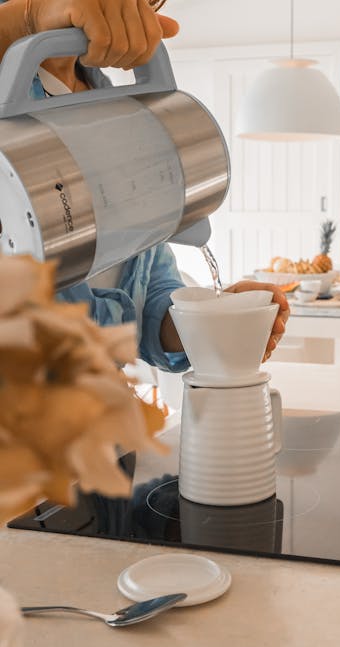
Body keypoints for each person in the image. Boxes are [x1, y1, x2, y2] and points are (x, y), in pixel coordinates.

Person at [0, 0, 289, 370]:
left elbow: (148, 302)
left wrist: (205, 322)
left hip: (88, 414)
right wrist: (27, 19)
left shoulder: (115, 108)